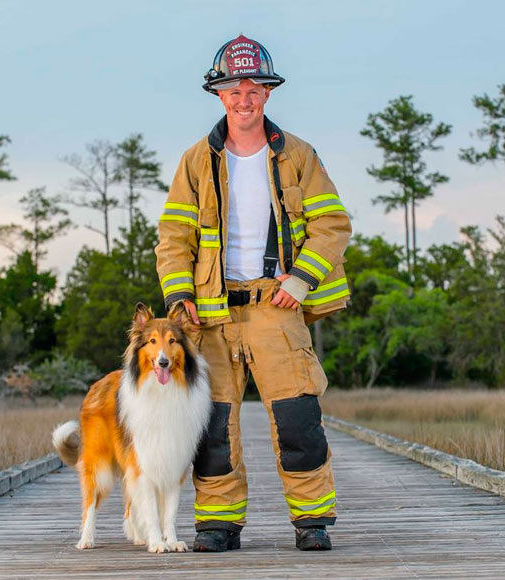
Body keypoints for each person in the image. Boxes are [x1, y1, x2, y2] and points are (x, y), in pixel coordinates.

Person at [155, 34, 352, 552]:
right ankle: (218, 523)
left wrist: (302, 278)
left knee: (298, 419)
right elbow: (173, 237)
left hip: (275, 306)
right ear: (218, 94)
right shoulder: (196, 160)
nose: (244, 99)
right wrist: (181, 300)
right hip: (210, 315)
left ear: (267, 92)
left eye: (254, 89)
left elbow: (331, 223)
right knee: (213, 427)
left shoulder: (298, 156)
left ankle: (312, 521)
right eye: (233, 90)